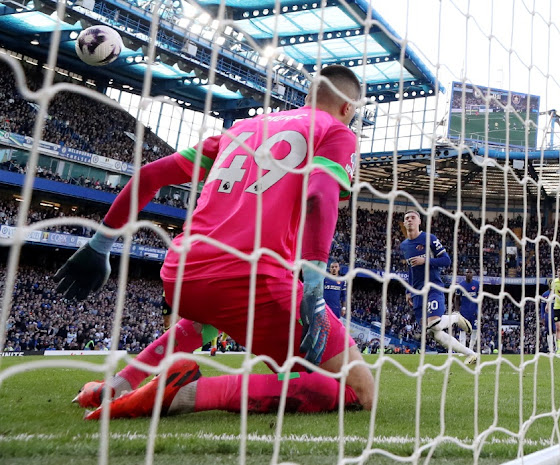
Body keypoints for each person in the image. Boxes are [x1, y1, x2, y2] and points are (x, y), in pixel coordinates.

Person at [55, 65, 375, 419]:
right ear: (349, 108)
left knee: (212, 317)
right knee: (357, 390)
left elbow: (150, 174)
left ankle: (117, 385)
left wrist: (100, 246)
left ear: (306, 97)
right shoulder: (336, 131)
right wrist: (314, 287)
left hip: (182, 275)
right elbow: (319, 194)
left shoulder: (241, 128)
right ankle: (188, 393)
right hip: (253, 279)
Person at [399, 211, 476, 364]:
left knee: (434, 322)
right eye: (406, 218)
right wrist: (408, 291)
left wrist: (425, 260)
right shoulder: (404, 245)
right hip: (417, 292)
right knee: (435, 333)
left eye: (412, 218)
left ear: (419, 221)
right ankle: (471, 353)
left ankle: (455, 317)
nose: (409, 220)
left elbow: (446, 260)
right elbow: (410, 269)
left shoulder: (429, 239)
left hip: (433, 287)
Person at [454, 269, 480, 350]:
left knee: (475, 330)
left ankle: (471, 349)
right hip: (464, 312)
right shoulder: (460, 285)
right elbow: (456, 298)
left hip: (474, 311)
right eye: (467, 272)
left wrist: (479, 310)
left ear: (473, 274)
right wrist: (457, 311)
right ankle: (463, 350)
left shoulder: (477, 284)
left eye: (470, 272)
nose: (468, 274)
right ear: (464, 274)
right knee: (462, 330)